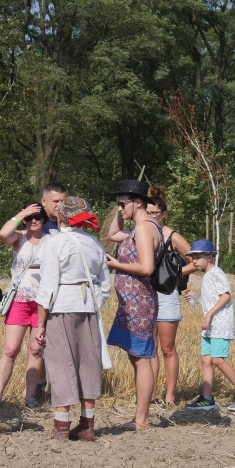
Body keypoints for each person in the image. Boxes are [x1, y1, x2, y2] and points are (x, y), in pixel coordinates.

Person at [34, 197, 111, 441]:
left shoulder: (54, 243)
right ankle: (88, 426)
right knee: (88, 364)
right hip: (88, 308)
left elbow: (47, 287)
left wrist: (39, 323)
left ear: (61, 216)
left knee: (60, 364)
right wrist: (93, 303)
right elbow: (105, 283)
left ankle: (62, 428)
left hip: (61, 308)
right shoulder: (94, 244)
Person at [105, 179, 163, 432]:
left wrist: (115, 265)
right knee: (137, 357)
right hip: (133, 302)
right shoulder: (138, 228)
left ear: (138, 202)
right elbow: (111, 235)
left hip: (140, 301)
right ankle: (141, 417)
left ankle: (142, 420)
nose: (120, 208)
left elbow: (146, 268)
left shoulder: (143, 229)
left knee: (142, 359)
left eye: (123, 203)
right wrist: (120, 212)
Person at [183, 241, 235, 411]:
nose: (194, 261)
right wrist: (195, 300)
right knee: (206, 359)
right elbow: (210, 302)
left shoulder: (216, 273)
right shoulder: (207, 275)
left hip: (220, 324)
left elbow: (225, 296)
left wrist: (208, 315)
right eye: (193, 257)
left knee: (217, 359)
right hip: (210, 325)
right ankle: (207, 399)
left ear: (210, 257)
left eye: (198, 257)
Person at [0, 201, 49, 409]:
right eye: (29, 218)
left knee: (35, 350)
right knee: (10, 350)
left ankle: (30, 397)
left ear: (44, 220)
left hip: (42, 303)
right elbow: (3, 234)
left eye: (38, 217)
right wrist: (23, 212)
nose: (33, 221)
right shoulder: (19, 237)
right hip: (19, 301)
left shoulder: (51, 240)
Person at [145, 187, 192, 405]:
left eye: (154, 213)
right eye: (147, 213)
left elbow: (197, 262)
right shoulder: (142, 233)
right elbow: (113, 236)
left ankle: (170, 397)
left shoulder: (172, 236)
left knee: (167, 349)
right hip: (146, 295)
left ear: (163, 214)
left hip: (166, 295)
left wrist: (175, 274)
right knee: (149, 347)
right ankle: (151, 394)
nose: (150, 217)